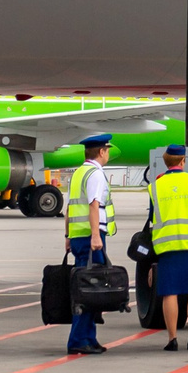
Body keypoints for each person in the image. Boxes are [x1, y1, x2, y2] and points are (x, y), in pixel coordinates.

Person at [145, 142, 188, 351]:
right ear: (183, 161)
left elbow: (151, 216)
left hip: (167, 246)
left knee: (170, 292)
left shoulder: (155, 186)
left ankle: (172, 338)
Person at [62, 134, 116, 357]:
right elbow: (94, 206)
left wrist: (67, 235)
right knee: (88, 290)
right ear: (101, 152)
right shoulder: (95, 174)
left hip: (78, 236)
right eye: (107, 149)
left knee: (90, 289)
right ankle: (78, 340)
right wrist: (96, 236)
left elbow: (69, 208)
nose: (108, 153)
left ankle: (89, 338)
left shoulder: (78, 173)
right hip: (90, 238)